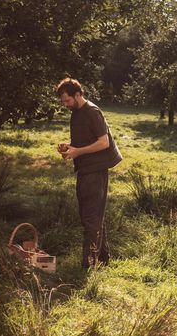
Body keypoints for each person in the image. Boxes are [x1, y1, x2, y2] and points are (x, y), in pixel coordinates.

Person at [56, 77, 122, 269]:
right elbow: (85, 140)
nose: (65, 105)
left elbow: (104, 142)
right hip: (84, 169)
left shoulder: (92, 112)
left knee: (91, 217)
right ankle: (102, 259)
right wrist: (69, 147)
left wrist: (77, 151)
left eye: (67, 100)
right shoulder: (76, 112)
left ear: (78, 95)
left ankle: (89, 265)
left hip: (96, 170)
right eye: (63, 102)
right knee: (92, 215)